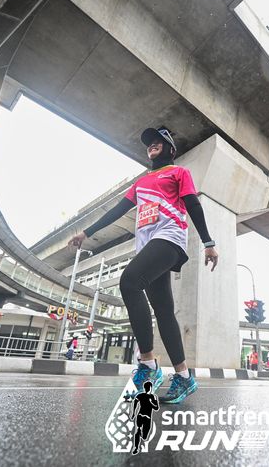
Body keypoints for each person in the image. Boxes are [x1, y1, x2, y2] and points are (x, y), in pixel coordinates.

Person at [68, 127, 218, 405]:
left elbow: (193, 204)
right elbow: (118, 210)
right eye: (149, 143)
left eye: (158, 142)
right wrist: (87, 233)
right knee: (164, 311)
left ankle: (148, 364)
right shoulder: (141, 183)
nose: (152, 145)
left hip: (169, 237)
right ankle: (184, 376)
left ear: (170, 149)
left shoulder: (179, 172)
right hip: (148, 245)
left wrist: (208, 242)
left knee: (129, 282)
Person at [132, 380, 160, 455]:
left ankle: (142, 437)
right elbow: (135, 403)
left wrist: (151, 403)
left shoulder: (152, 397)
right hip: (142, 416)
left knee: (144, 435)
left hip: (146, 417)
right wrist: (134, 413)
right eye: (148, 387)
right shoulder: (141, 395)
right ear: (148, 388)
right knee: (138, 431)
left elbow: (156, 408)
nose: (148, 389)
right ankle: (136, 448)